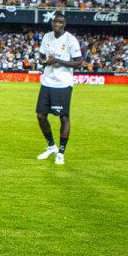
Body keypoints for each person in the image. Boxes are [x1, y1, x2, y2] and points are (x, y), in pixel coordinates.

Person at [35, 11, 84, 165]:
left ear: (64, 24)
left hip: (63, 83)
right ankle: (51, 147)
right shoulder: (46, 37)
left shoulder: (71, 40)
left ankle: (61, 153)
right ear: (52, 23)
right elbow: (41, 57)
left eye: (60, 22)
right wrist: (44, 62)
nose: (57, 25)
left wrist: (58, 60)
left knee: (64, 117)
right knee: (41, 116)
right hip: (47, 81)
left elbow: (79, 62)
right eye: (55, 22)